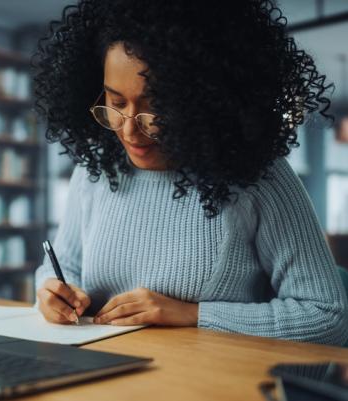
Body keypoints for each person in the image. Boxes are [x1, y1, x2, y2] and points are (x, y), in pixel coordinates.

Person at [32, 0, 348, 345]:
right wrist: (52, 292)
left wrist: (195, 315)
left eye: (158, 111)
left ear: (204, 102)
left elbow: (327, 316)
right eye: (117, 103)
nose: (129, 131)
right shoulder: (94, 169)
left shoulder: (259, 177)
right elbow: (61, 266)